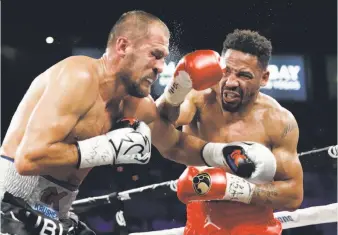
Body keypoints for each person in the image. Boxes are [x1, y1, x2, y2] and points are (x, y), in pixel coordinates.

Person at [0, 11, 275, 235]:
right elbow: (28, 159)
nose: (160, 67)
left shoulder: (134, 104)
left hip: (53, 214)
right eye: (155, 54)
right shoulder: (78, 76)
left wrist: (225, 154)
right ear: (123, 46)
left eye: (164, 59)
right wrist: (105, 149)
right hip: (9, 207)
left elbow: (174, 145)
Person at [156, 29, 304, 235]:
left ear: (264, 78)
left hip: (255, 227)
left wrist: (234, 189)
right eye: (226, 71)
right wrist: (177, 89)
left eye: (244, 75)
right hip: (200, 224)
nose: (231, 82)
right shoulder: (200, 99)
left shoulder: (278, 121)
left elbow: (294, 195)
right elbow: (159, 121)